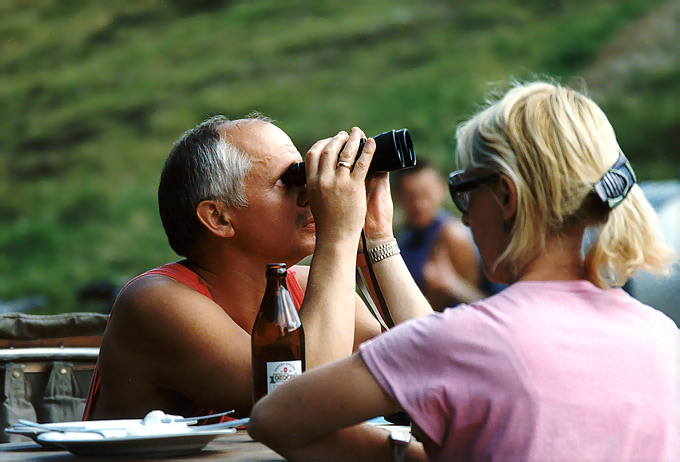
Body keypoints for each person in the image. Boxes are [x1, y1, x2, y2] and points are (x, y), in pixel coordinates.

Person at [248, 81, 679, 461]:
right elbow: (446, 353)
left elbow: (281, 416)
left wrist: (339, 237)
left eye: (463, 191)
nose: (465, 218)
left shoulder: (464, 343)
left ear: (506, 198)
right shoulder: (663, 337)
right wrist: (378, 239)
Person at [83, 115, 432, 421]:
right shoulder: (155, 302)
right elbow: (300, 398)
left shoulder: (308, 288)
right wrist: (338, 236)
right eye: (289, 181)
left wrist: (376, 236)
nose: (310, 194)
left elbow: (431, 371)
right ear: (218, 217)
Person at [393, 160, 489, 310]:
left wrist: (452, 285)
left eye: (425, 194)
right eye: (410, 196)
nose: (419, 204)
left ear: (441, 188)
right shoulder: (403, 239)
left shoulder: (454, 236)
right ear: (398, 196)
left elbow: (489, 304)